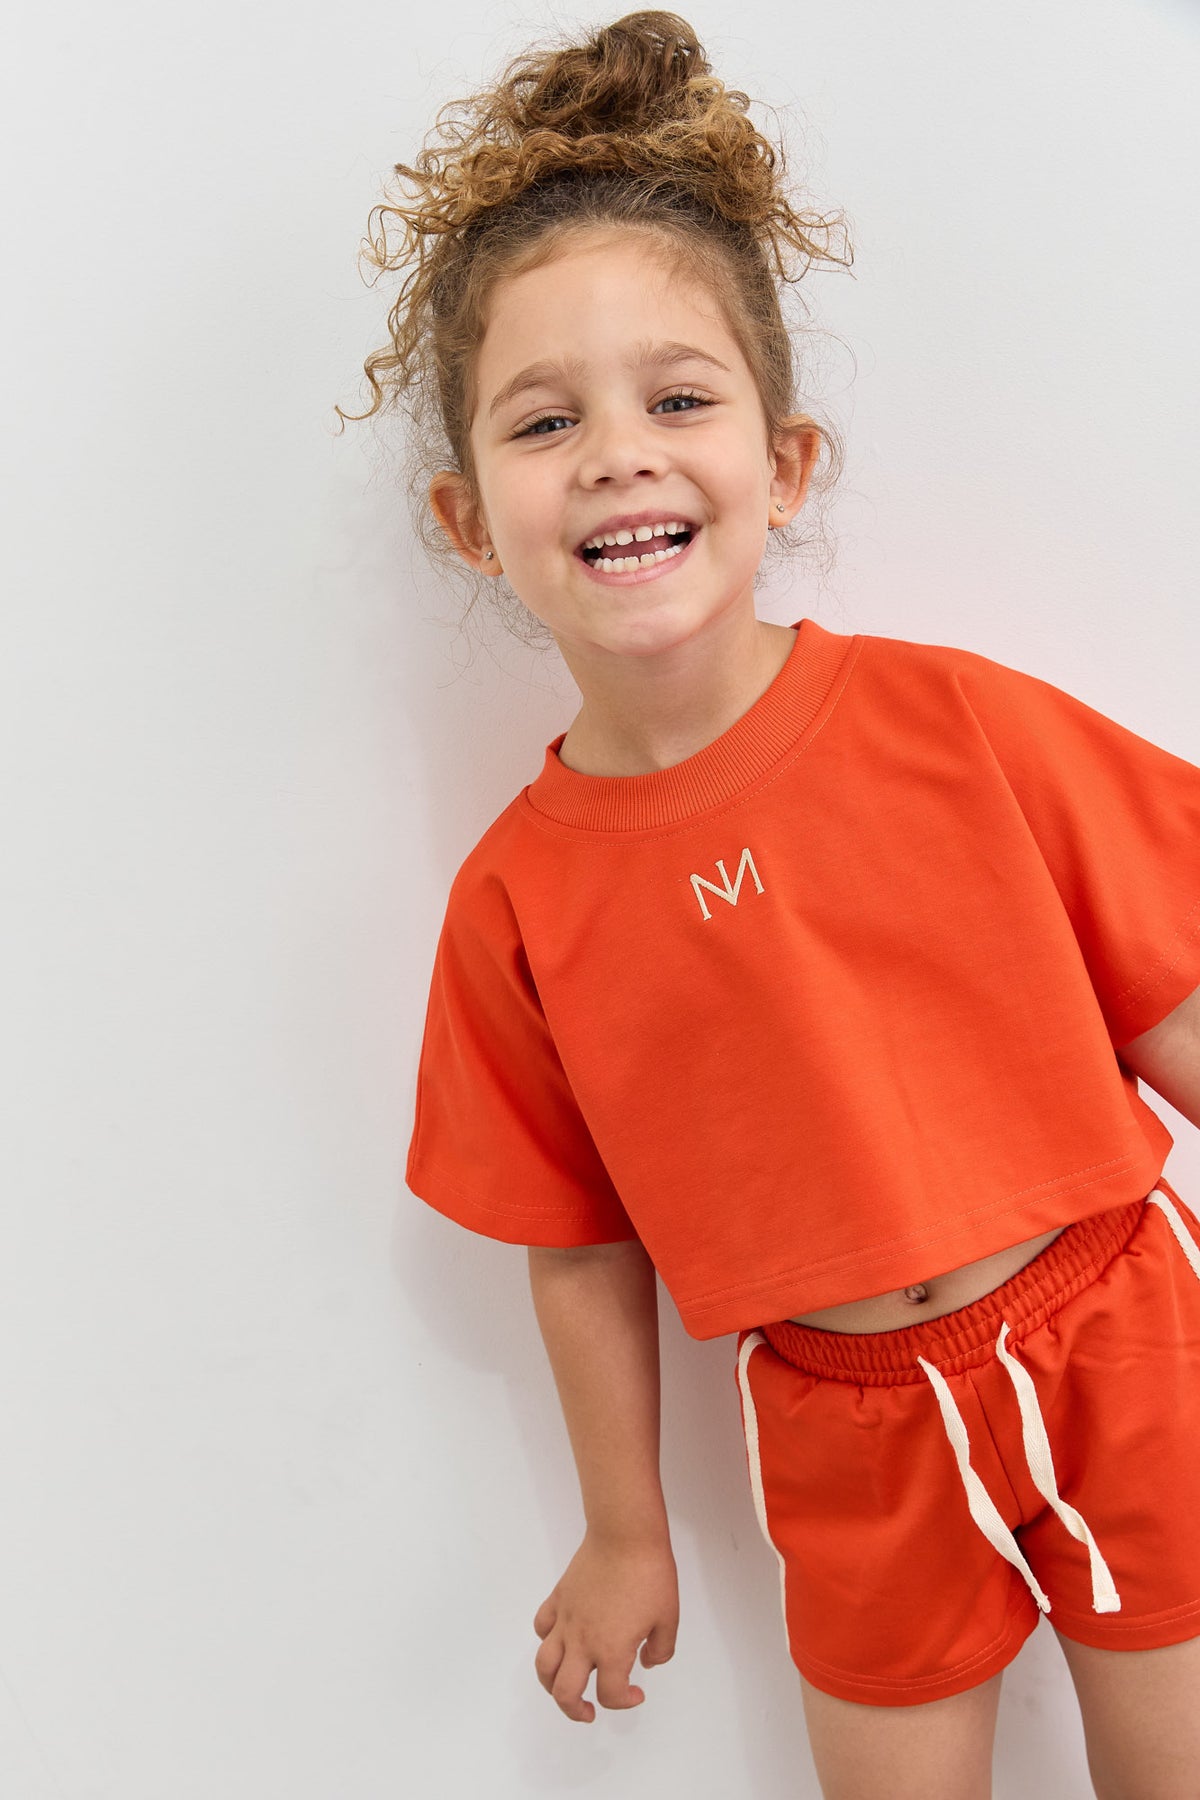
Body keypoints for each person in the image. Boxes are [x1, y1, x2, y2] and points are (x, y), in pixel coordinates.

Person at [338, 13, 1200, 1795]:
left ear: (784, 462)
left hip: (1127, 1339)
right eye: (546, 421)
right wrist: (624, 1526)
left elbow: (1176, 993)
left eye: (677, 400)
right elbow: (576, 1243)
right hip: (843, 1432)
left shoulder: (956, 723)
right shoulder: (516, 906)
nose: (617, 454)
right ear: (469, 518)